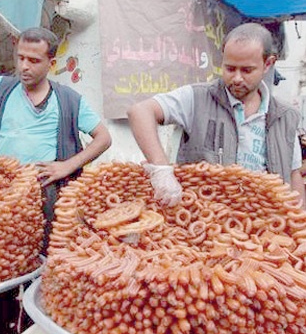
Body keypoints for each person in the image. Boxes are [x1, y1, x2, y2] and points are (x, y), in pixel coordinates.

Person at [0, 27, 112, 245]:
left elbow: (103, 138)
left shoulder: (69, 100)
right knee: (0, 253)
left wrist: (68, 166)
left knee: (45, 254)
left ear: (52, 63)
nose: (24, 66)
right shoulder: (0, 87)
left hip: (46, 195)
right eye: (20, 58)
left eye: (34, 60)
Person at [127, 22, 306, 208]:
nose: (236, 78)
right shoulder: (197, 98)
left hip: (262, 224)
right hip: (205, 223)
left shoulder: (285, 116)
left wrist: (299, 224)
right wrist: (161, 169)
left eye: (246, 70)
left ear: (268, 64)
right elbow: (140, 111)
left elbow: (293, 174)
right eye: (229, 68)